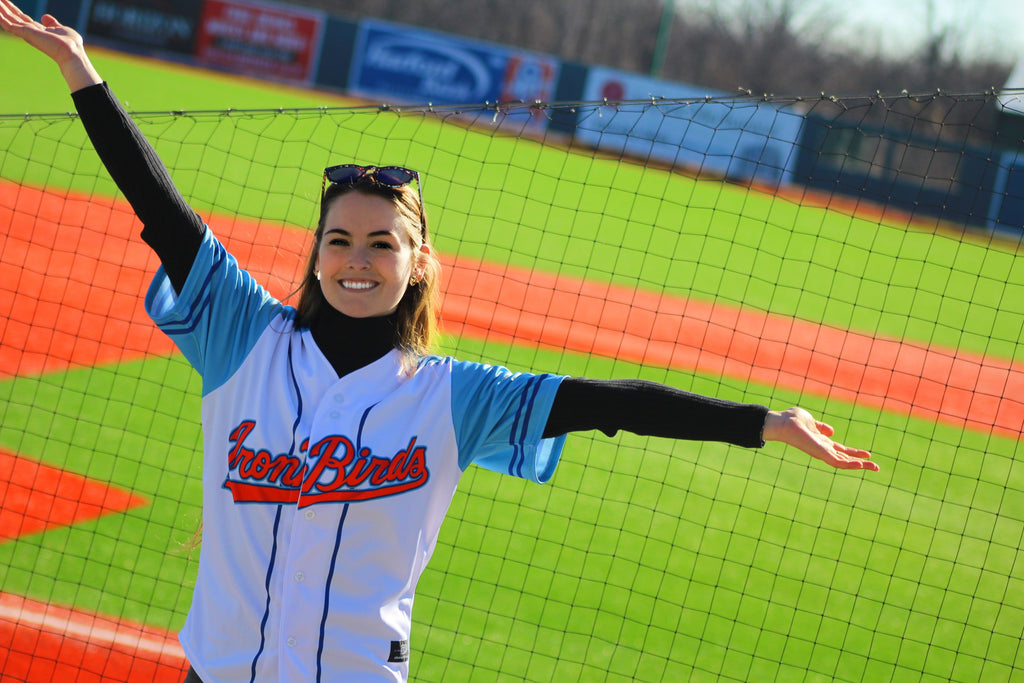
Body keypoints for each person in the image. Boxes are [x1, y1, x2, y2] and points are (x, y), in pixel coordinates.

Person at [0, 3, 878, 682]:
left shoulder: (457, 395)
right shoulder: (244, 336)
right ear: (315, 251)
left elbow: (611, 405)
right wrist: (81, 70)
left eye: (384, 243)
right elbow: (163, 211)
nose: (357, 260)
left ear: (419, 264)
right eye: (339, 239)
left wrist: (766, 420)